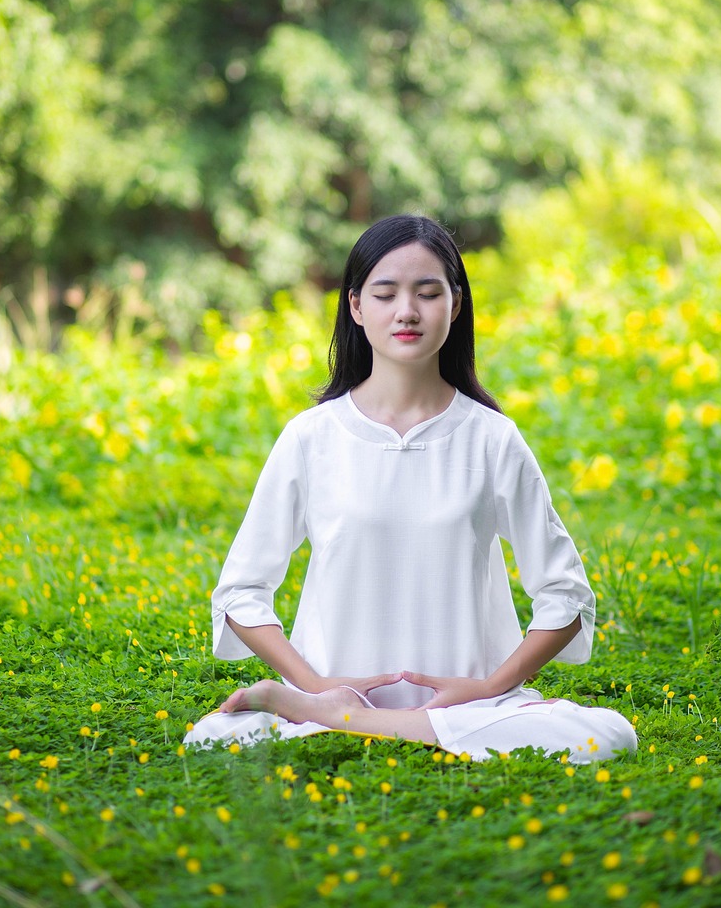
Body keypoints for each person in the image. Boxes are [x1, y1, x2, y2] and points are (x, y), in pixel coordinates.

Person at [184, 215, 636, 763]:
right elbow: (240, 592)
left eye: (427, 293)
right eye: (385, 293)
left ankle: (345, 724)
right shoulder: (312, 436)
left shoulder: (491, 438)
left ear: (456, 303)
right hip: (329, 693)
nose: (407, 311)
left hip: (468, 708)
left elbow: (565, 594)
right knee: (210, 737)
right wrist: (317, 685)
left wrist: (490, 687)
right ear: (355, 306)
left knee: (607, 735)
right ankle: (335, 713)